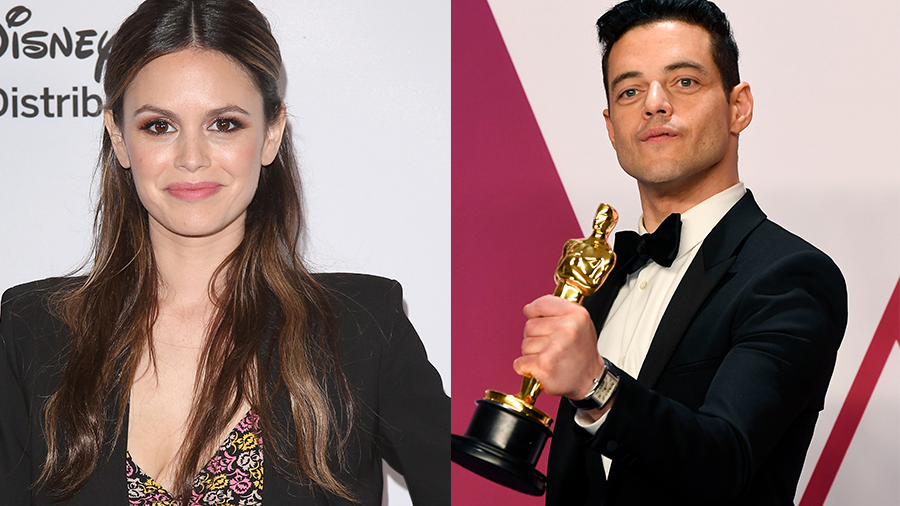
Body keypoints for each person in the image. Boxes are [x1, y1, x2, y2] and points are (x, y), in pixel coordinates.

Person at [0, 1, 449, 505]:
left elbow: (480, 486)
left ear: (271, 134)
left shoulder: (359, 329)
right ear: (119, 139)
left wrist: (534, 408)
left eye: (225, 124)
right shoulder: (32, 331)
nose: (192, 158)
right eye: (159, 126)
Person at [512, 0, 847, 504]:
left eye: (684, 82)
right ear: (611, 126)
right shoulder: (603, 277)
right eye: (629, 91)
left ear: (739, 107)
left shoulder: (791, 276)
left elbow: (725, 462)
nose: (654, 104)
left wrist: (595, 384)